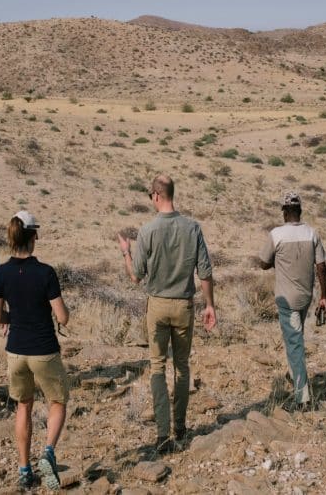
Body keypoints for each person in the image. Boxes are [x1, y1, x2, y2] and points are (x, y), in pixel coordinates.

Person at [117, 174, 217, 453]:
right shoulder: (192, 228)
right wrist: (210, 305)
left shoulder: (148, 230)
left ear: (157, 196)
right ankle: (181, 426)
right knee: (182, 366)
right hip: (184, 305)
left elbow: (136, 276)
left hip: (158, 305)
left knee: (158, 367)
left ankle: (163, 433)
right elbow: (205, 273)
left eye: (150, 195)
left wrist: (126, 252)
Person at [0, 210, 70, 491]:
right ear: (33, 236)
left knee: (23, 406)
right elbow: (62, 317)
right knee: (57, 402)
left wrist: (16, 318)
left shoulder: (2, 273)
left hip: (16, 351)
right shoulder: (45, 273)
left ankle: (25, 470)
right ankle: (48, 452)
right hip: (44, 348)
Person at [256, 191, 326, 410]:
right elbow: (322, 268)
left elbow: (263, 263)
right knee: (296, 337)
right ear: (300, 211)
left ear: (285, 212)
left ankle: (302, 398)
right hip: (306, 296)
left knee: (294, 344)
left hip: (286, 299)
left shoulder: (276, 235)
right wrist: (324, 296)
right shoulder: (312, 233)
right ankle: (295, 373)